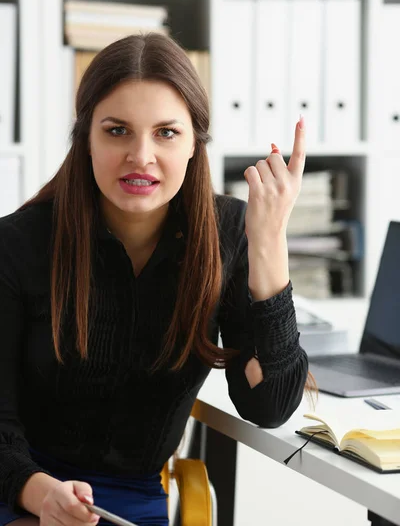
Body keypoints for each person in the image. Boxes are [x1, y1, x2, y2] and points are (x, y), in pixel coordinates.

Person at [0, 32, 310, 526]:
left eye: (166, 132)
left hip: (131, 498)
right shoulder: (18, 244)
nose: (141, 156)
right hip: (20, 486)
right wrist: (39, 496)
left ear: (194, 144)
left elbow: (267, 405)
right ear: (86, 139)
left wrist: (269, 242)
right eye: (117, 130)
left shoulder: (229, 233)